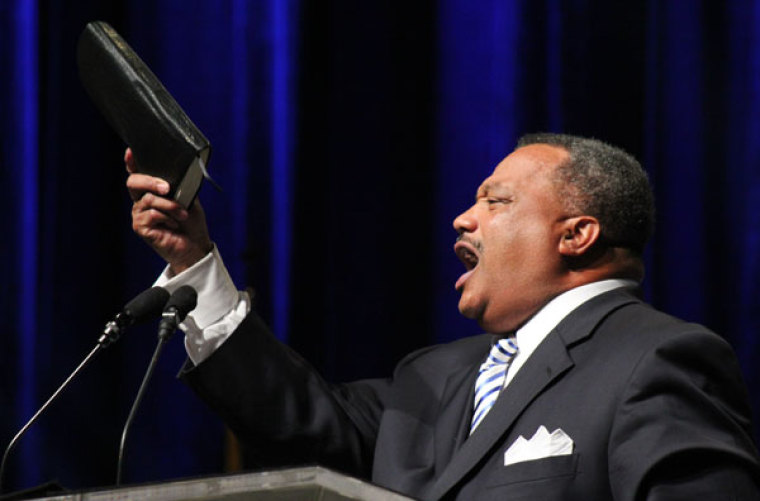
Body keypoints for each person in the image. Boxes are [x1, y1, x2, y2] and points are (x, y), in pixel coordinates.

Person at [127, 133, 760, 500]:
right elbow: (294, 417)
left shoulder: (657, 359)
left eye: (496, 200)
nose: (464, 218)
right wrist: (194, 262)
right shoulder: (431, 376)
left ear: (577, 234)